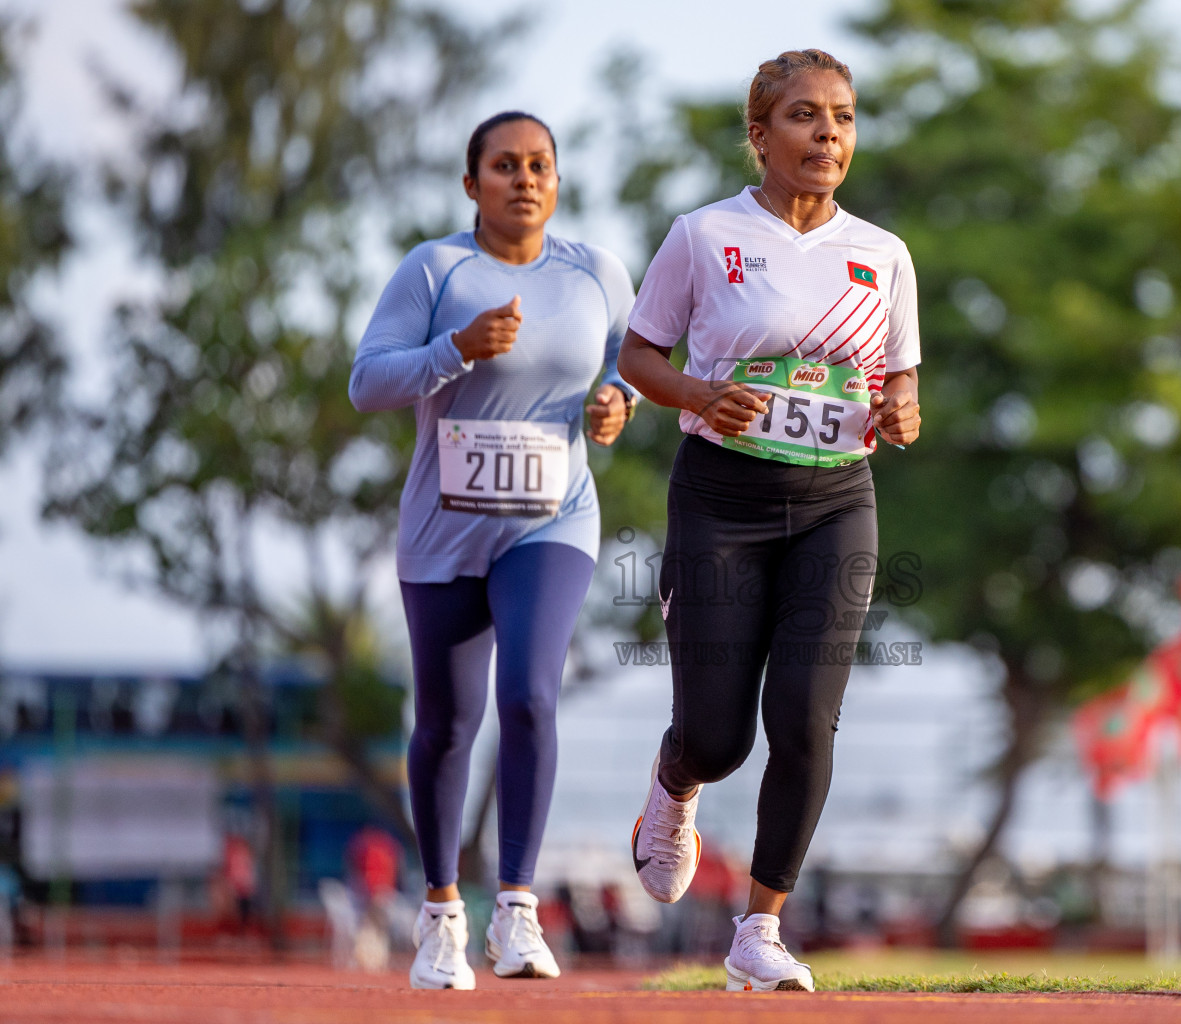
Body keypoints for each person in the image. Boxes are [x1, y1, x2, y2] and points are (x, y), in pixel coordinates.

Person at [617, 49, 921, 993]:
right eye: (804, 116)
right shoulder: (706, 237)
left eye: (843, 116)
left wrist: (903, 408)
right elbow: (637, 355)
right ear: (760, 134)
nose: (828, 133)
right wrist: (702, 392)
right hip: (722, 497)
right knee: (719, 737)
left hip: (837, 501)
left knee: (804, 721)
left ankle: (760, 928)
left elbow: (900, 378)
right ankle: (673, 789)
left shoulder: (884, 254)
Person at [350, 110, 636, 990]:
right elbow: (368, 382)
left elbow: (631, 359)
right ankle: (441, 917)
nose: (525, 179)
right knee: (445, 724)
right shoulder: (435, 270)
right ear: (472, 184)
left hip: (551, 521)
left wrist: (617, 402)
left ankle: (517, 909)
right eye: (505, 166)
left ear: (558, 179)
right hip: (445, 530)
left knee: (530, 697)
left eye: (540, 164)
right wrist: (454, 350)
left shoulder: (596, 272)